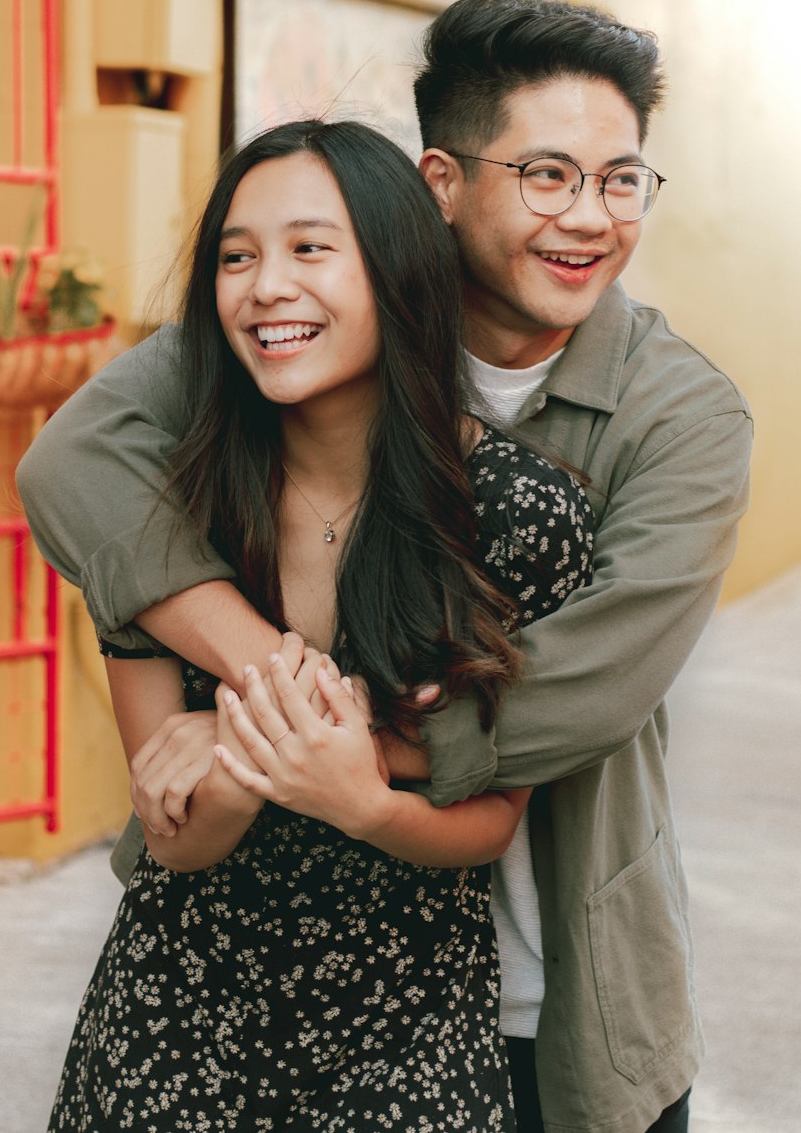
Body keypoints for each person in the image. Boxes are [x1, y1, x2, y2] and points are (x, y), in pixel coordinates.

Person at [18, 0, 754, 1133]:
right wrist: (275, 690)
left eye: (622, 180)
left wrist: (293, 733)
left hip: (555, 984)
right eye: (549, 175)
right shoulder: (313, 321)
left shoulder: (680, 418)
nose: (593, 218)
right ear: (441, 186)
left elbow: (587, 687)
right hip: (242, 992)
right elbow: (75, 463)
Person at [45, 118, 595, 1131]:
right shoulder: (167, 507)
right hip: (174, 1023)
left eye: (309, 248)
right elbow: (177, 842)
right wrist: (259, 750)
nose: (266, 287)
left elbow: (489, 817)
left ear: (398, 271)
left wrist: (361, 800)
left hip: (408, 1035)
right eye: (236, 257)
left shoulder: (514, 513)